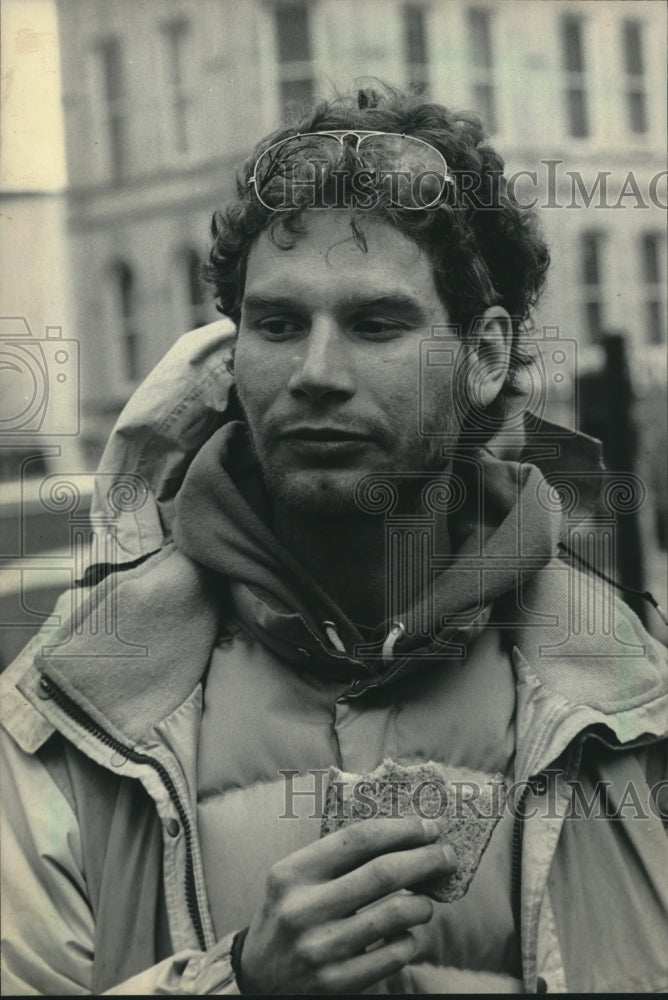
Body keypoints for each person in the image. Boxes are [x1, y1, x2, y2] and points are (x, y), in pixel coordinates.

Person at [1, 87, 667, 996]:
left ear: (482, 356)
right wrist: (239, 982)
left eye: (375, 325)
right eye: (277, 325)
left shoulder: (638, 698)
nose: (315, 374)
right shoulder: (69, 707)